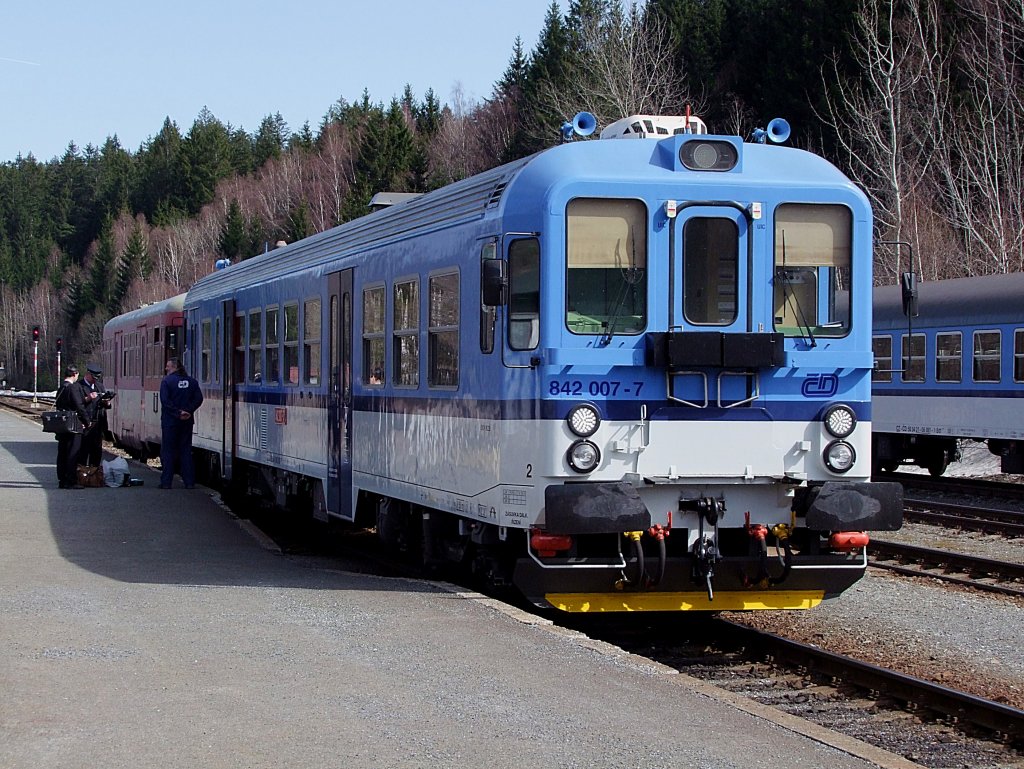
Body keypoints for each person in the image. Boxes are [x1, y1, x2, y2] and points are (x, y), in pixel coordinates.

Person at [159, 357, 204, 489]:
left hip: (170, 422)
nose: (166, 368)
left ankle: (166, 482)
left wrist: (177, 413)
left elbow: (165, 401)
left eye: (168, 366)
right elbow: (199, 398)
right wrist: (188, 411)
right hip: (187, 421)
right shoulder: (192, 382)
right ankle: (189, 482)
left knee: (168, 451)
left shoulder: (167, 382)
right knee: (185, 450)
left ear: (174, 367)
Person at [55, 365, 90, 489]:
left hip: (62, 425)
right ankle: (70, 480)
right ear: (74, 374)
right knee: (73, 453)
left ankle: (62, 480)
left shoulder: (61, 388)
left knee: (62, 453)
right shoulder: (73, 388)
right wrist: (87, 421)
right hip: (73, 425)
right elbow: (79, 406)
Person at [77, 363, 108, 467]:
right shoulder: (79, 386)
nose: (95, 380)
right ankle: (81, 475)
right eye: (94, 377)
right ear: (88, 374)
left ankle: (94, 475)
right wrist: (88, 398)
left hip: (98, 423)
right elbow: (77, 404)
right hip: (85, 424)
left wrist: (107, 403)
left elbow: (103, 403)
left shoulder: (99, 386)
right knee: (83, 451)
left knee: (96, 452)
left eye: (97, 378)